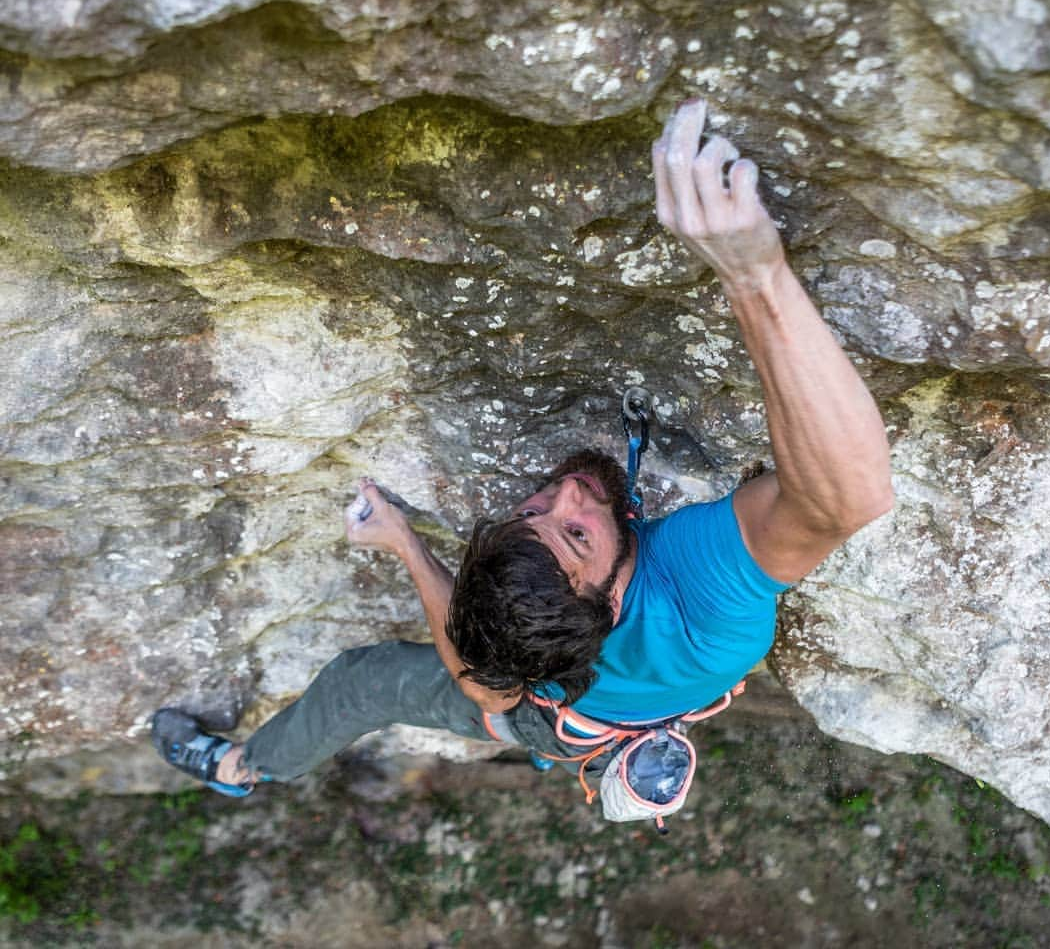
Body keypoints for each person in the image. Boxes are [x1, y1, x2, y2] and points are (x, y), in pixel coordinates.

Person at [151, 99, 893, 797]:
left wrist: (409, 544)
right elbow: (842, 498)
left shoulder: (589, 637)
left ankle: (241, 767)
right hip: (574, 721)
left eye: (542, 513)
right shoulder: (704, 610)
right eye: (569, 529)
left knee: (360, 679)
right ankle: (243, 768)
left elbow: (484, 682)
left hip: (564, 723)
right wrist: (754, 273)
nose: (570, 489)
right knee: (398, 685)